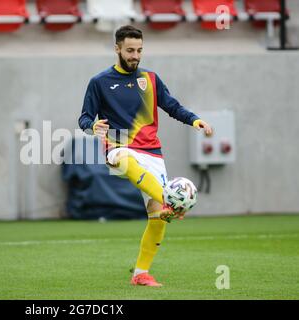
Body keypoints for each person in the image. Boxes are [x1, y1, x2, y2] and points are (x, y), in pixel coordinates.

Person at [78, 25, 213, 287]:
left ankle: (141, 273)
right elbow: (84, 116)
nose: (135, 55)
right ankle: (169, 200)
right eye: (130, 50)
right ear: (117, 49)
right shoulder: (99, 82)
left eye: (139, 50)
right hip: (118, 147)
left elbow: (172, 106)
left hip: (151, 151)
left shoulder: (150, 79)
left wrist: (196, 121)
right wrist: (92, 126)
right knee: (124, 162)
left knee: (157, 216)